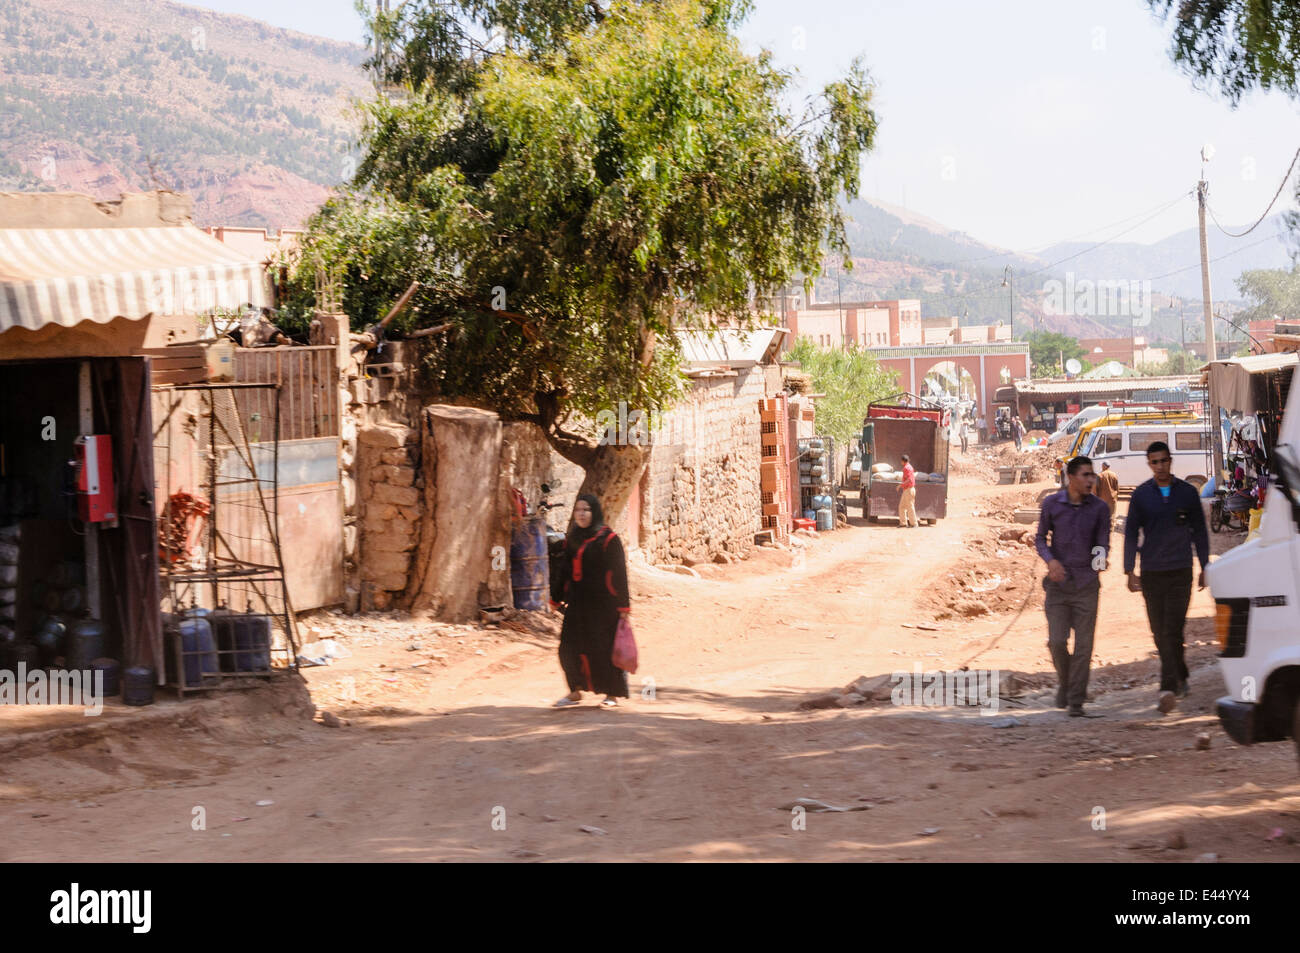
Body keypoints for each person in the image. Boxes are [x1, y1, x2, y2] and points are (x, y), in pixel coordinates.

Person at [1123, 441, 1210, 714]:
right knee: (1159, 632)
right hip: (1151, 573)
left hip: (1180, 571)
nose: (1160, 466)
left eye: (1164, 461)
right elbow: (1130, 533)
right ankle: (1181, 673)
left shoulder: (1187, 493)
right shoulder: (1141, 495)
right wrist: (1129, 570)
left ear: (1171, 461)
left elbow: (1199, 531)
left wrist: (1205, 565)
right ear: (1149, 464)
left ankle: (1168, 687)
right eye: (1155, 462)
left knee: (1173, 628)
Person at [1036, 455, 1110, 717]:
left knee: (1084, 646)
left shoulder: (1100, 509)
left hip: (1087, 585)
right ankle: (1067, 683)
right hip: (1058, 585)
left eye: (1092, 475)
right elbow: (1040, 538)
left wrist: (1101, 559)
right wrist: (1050, 561)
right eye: (1086, 475)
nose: (1091, 479)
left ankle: (1076, 700)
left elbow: (1103, 541)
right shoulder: (1052, 504)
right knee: (1057, 642)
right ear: (1071, 477)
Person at [548, 494, 631, 708]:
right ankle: (574, 691)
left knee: (604, 649)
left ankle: (612, 694)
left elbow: (619, 573)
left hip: (604, 606)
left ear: (594, 512)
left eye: (586, 510)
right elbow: (564, 570)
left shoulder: (609, 539)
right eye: (578, 510)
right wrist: (555, 598)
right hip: (577, 605)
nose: (582, 514)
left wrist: (623, 606)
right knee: (568, 648)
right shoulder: (572, 539)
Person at [1096, 461, 1120, 530]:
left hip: (1102, 499)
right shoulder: (1114, 475)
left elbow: (1096, 488)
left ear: (1104, 466)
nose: (1101, 466)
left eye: (1102, 465)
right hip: (1112, 499)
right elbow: (1117, 488)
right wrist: (1116, 496)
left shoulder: (1099, 475)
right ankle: (1111, 529)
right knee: (1112, 515)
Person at [898, 453, 918, 528]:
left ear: (903, 461)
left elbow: (909, 479)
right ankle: (903, 523)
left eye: (901, 461)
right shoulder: (909, 467)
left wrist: (901, 485)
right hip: (908, 489)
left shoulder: (906, 468)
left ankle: (914, 523)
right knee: (902, 506)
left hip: (908, 490)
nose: (901, 462)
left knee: (910, 506)